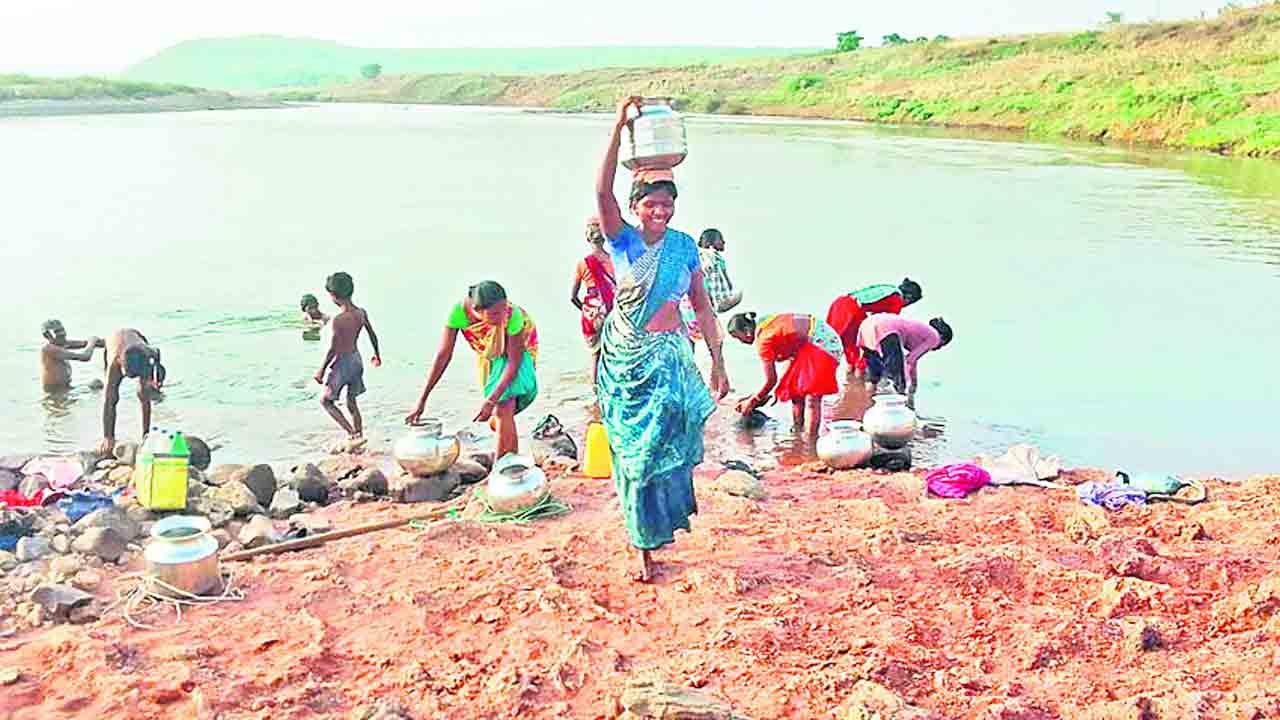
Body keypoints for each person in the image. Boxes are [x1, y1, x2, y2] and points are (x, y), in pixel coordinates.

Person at [595, 95, 730, 583]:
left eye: (667, 204)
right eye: (651, 204)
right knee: (635, 456)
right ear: (635, 209)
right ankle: (641, 547)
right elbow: (601, 193)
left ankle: (663, 526)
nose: (660, 211)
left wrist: (717, 358)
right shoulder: (624, 242)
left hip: (671, 357)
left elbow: (702, 305)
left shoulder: (684, 246)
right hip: (628, 361)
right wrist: (616, 127)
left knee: (675, 435)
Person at [405, 281, 538, 460]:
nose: (502, 316)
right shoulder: (459, 313)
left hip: (519, 350)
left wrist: (491, 400)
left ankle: (500, 469)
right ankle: (511, 460)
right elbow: (443, 355)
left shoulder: (512, 316)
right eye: (494, 314)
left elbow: (514, 361)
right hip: (489, 353)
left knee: (503, 406)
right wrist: (422, 400)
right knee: (502, 416)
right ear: (478, 311)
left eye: (503, 308)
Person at [726, 312, 843, 435]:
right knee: (795, 392)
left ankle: (811, 439)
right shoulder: (764, 322)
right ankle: (797, 432)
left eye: (738, 337)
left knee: (813, 397)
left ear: (747, 331)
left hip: (824, 344)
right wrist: (763, 395)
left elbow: (770, 380)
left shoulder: (764, 340)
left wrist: (754, 399)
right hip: (810, 343)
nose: (740, 342)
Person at [313, 272, 381, 452]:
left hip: (342, 363)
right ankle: (359, 439)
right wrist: (376, 354)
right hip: (356, 361)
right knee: (351, 402)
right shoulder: (361, 313)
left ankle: (352, 434)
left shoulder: (338, 320)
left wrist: (321, 370)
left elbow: (333, 348)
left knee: (326, 401)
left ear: (333, 296)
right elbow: (372, 334)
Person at [826, 278, 923, 373]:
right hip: (852, 309)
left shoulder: (889, 290)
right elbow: (887, 327)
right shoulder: (897, 300)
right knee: (864, 345)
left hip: (839, 304)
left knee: (836, 343)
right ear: (909, 297)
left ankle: (849, 375)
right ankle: (858, 376)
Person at [98, 329, 165, 454]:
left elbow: (157, 356)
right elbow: (108, 403)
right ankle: (109, 437)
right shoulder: (114, 362)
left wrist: (155, 377)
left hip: (136, 338)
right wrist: (108, 437)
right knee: (111, 395)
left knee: (144, 393)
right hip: (113, 340)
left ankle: (146, 434)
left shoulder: (149, 353)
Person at [858, 314, 953, 396]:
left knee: (873, 376)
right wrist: (909, 385)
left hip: (867, 325)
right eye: (942, 345)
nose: (938, 347)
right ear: (942, 338)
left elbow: (913, 362)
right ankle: (903, 406)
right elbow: (909, 359)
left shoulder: (923, 332)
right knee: (899, 381)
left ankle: (868, 401)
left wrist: (914, 382)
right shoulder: (934, 337)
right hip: (886, 329)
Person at [569, 217, 615, 385]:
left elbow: (573, 296)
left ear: (588, 238)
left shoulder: (583, 263)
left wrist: (585, 310)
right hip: (611, 310)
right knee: (612, 351)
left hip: (591, 311)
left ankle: (595, 391)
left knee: (595, 354)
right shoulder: (613, 260)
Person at [40, 319, 103, 391]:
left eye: (62, 331)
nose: (63, 334)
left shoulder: (61, 344)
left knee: (97, 384)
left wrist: (105, 342)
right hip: (56, 392)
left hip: (66, 388)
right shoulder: (49, 349)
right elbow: (85, 357)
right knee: (95, 384)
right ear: (48, 336)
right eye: (57, 332)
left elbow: (86, 343)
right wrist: (92, 342)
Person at [697, 228, 741, 313]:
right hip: (709, 294)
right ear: (710, 242)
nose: (723, 242)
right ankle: (719, 301)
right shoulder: (707, 255)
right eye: (720, 239)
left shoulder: (717, 257)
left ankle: (721, 300)